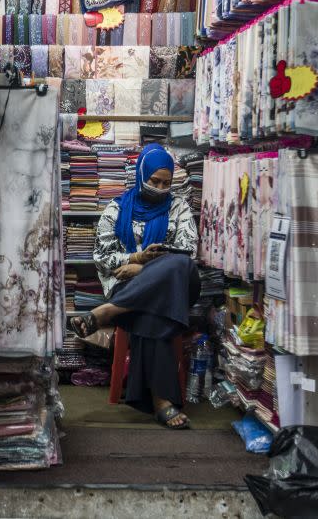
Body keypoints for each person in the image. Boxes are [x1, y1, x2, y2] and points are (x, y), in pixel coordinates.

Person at [71, 143, 199, 429]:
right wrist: (135, 255)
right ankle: (162, 401)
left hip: (178, 287)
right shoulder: (116, 210)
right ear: (141, 175)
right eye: (155, 181)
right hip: (135, 291)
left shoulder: (179, 208)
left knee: (178, 265)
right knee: (152, 310)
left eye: (166, 183)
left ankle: (107, 312)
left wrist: (141, 268)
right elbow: (102, 259)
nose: (161, 187)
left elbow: (187, 253)